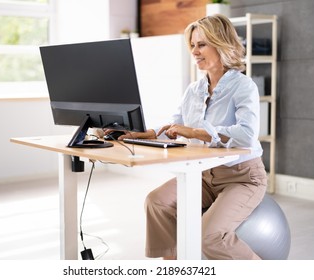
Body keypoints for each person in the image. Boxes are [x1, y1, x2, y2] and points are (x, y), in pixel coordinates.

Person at [112, 14, 267, 260]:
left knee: (209, 236)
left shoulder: (243, 86)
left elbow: (247, 135)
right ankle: (175, 266)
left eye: (202, 44)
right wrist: (143, 133)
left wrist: (195, 133)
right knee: (157, 202)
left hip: (242, 177)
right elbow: (177, 125)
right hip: (204, 174)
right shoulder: (194, 89)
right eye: (192, 45)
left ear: (221, 43)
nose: (194, 51)